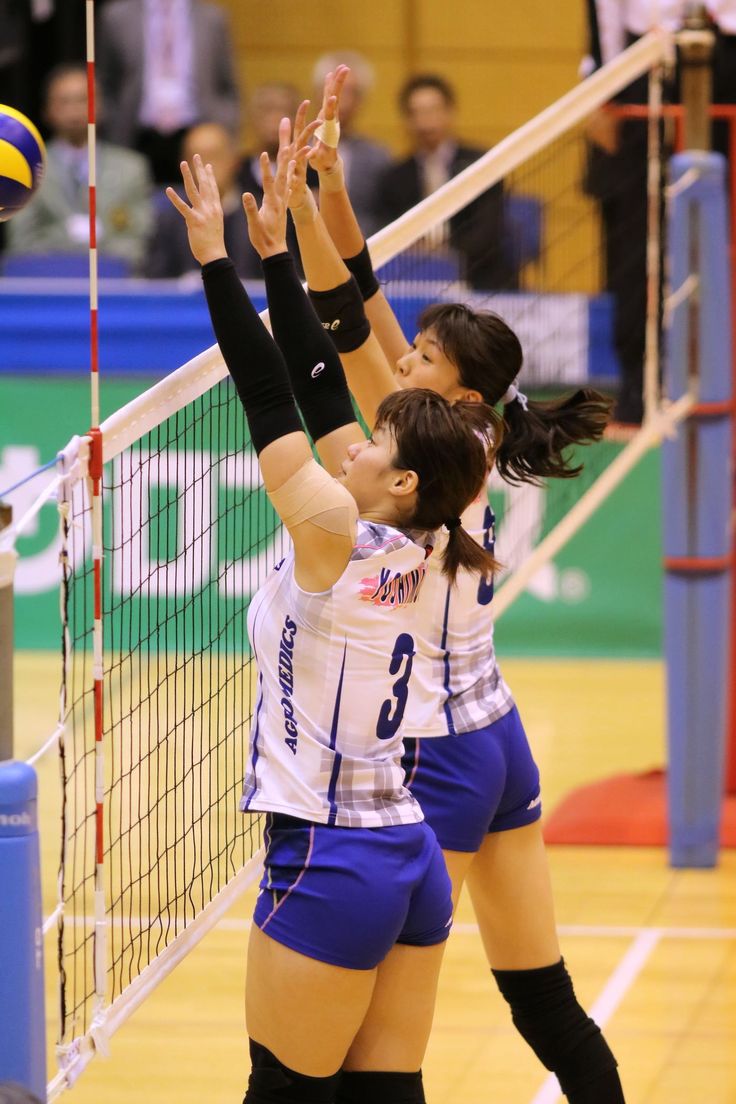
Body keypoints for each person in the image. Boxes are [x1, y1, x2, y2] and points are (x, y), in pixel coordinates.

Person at [286, 68, 625, 1102]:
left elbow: (338, 315)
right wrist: (326, 185)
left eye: (420, 355)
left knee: (380, 1046)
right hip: (494, 730)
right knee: (541, 990)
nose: (405, 355)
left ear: (458, 390)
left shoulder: (433, 449)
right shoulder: (458, 420)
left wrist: (289, 212)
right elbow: (365, 292)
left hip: (433, 751)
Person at [166, 129, 503, 1103]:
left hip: (329, 856)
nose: (346, 446)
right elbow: (318, 387)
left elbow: (271, 391)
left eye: (369, 442)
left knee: (280, 1093)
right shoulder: (431, 533)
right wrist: (275, 252)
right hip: (409, 860)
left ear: (396, 478)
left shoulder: (332, 536)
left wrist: (214, 260)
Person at [4, 62, 153, 274]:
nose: (74, 110)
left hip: (114, 287)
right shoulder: (25, 167)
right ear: (47, 110)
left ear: (100, 106)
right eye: (64, 101)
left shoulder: (132, 168)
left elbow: (137, 243)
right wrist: (75, 244)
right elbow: (21, 242)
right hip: (46, 286)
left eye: (84, 100)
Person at [374, 72, 517, 290]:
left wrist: (445, 253)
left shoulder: (481, 165)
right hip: (413, 278)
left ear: (449, 112)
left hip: (477, 276)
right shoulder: (394, 177)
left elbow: (488, 231)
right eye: (416, 113)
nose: (425, 122)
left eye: (432, 111)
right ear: (407, 120)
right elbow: (386, 228)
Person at [96, 0, 240, 184]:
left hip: (197, 130)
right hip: (136, 134)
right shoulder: (116, 16)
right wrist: (111, 128)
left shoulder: (212, 17)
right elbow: (106, 82)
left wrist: (225, 129)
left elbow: (227, 83)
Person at [146, 122, 262, 279]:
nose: (206, 166)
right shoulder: (170, 218)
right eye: (196, 159)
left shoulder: (260, 212)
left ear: (235, 159)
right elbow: (155, 281)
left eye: (214, 155)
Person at [311, 51, 391, 236]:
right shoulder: (298, 150)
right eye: (333, 91)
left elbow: (383, 216)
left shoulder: (379, 156)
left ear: (361, 100)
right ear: (318, 94)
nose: (341, 101)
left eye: (350, 92)